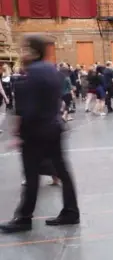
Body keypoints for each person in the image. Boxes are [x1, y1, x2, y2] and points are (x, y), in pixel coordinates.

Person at [0, 35, 79, 233]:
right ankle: (71, 211)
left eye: (25, 49)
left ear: (34, 51)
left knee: (31, 174)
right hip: (54, 127)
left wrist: (19, 133)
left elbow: (29, 108)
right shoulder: (53, 70)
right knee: (63, 172)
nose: (22, 53)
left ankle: (24, 217)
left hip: (36, 132)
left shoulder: (32, 73)